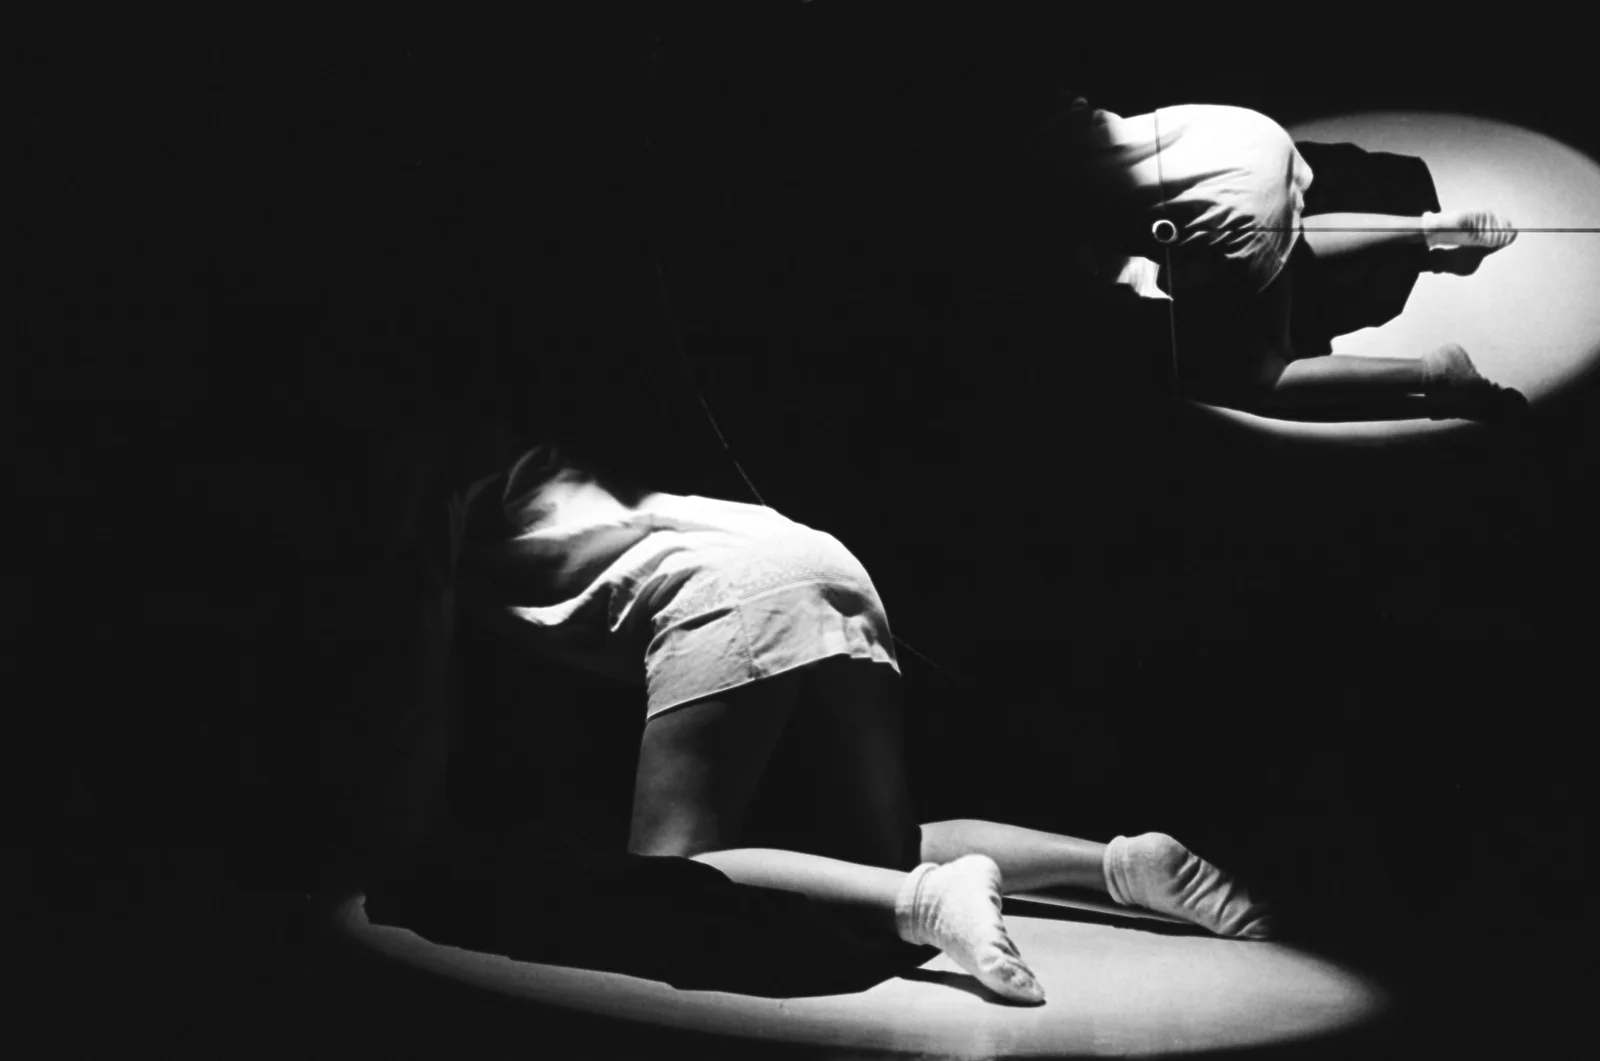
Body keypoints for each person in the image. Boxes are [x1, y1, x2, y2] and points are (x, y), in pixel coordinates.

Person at [410, 439, 1277, 1005]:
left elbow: (424, 675)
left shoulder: (421, 489)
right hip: (820, 558)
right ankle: (1125, 864)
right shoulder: (534, 458)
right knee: (879, 846)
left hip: (724, 594)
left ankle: (930, 902)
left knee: (666, 874)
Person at [1031, 99, 1527, 422]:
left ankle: (1439, 376)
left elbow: (1097, 276)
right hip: (1234, 134)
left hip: (1232, 206)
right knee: (1288, 232)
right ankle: (1434, 228)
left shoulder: (1014, 203)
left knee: (1260, 376)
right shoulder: (1024, 110)